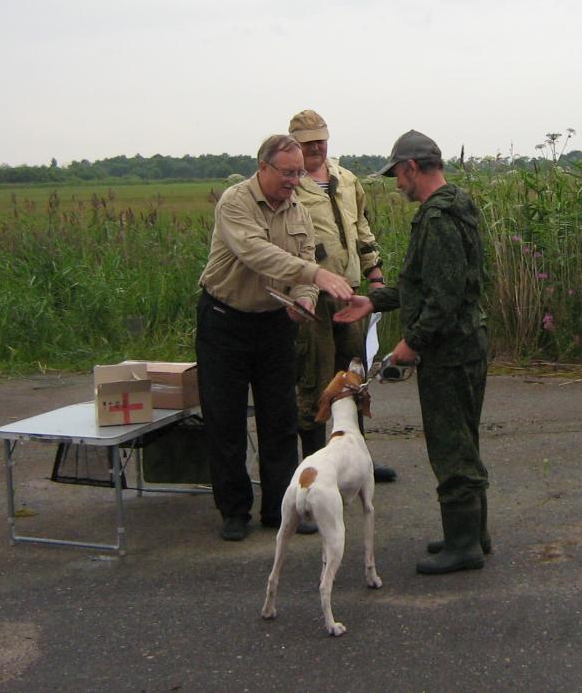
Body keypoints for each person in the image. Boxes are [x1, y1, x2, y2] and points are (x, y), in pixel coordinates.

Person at [334, 130, 491, 575]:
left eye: (398, 175)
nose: (397, 184)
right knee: (464, 440)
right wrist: (374, 301)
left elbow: (443, 298)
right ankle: (474, 533)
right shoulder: (456, 204)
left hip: (450, 351)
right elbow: (427, 285)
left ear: (412, 168)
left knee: (450, 446)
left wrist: (411, 343)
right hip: (465, 344)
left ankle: (464, 545)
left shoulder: (438, 218)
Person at [195, 134, 353, 542]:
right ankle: (234, 511)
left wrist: (305, 298)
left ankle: (279, 510)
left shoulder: (298, 209)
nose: (294, 181)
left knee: (280, 418)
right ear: (262, 167)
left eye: (299, 173)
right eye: (287, 173)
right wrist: (315, 276)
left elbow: (305, 260)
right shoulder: (235, 202)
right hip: (225, 320)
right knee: (226, 419)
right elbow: (256, 253)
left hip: (274, 324)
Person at [287, 108, 397, 483]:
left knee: (353, 378)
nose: (315, 148)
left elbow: (361, 228)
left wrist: (375, 274)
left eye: (320, 140)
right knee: (314, 381)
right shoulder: (290, 184)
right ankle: (315, 467)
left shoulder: (346, 179)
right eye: (307, 143)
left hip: (348, 293)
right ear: (294, 145)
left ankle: (356, 461)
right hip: (311, 297)